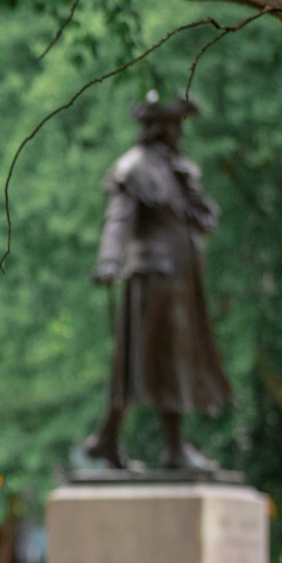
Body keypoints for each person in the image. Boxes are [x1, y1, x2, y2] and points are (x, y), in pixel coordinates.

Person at [82, 91, 229, 471]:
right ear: (159, 129)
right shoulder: (134, 169)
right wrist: (109, 261)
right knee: (163, 361)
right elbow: (118, 219)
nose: (180, 134)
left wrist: (189, 185)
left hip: (182, 280)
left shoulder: (178, 170)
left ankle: (108, 438)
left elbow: (206, 219)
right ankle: (174, 447)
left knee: (147, 362)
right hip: (154, 277)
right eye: (175, 125)